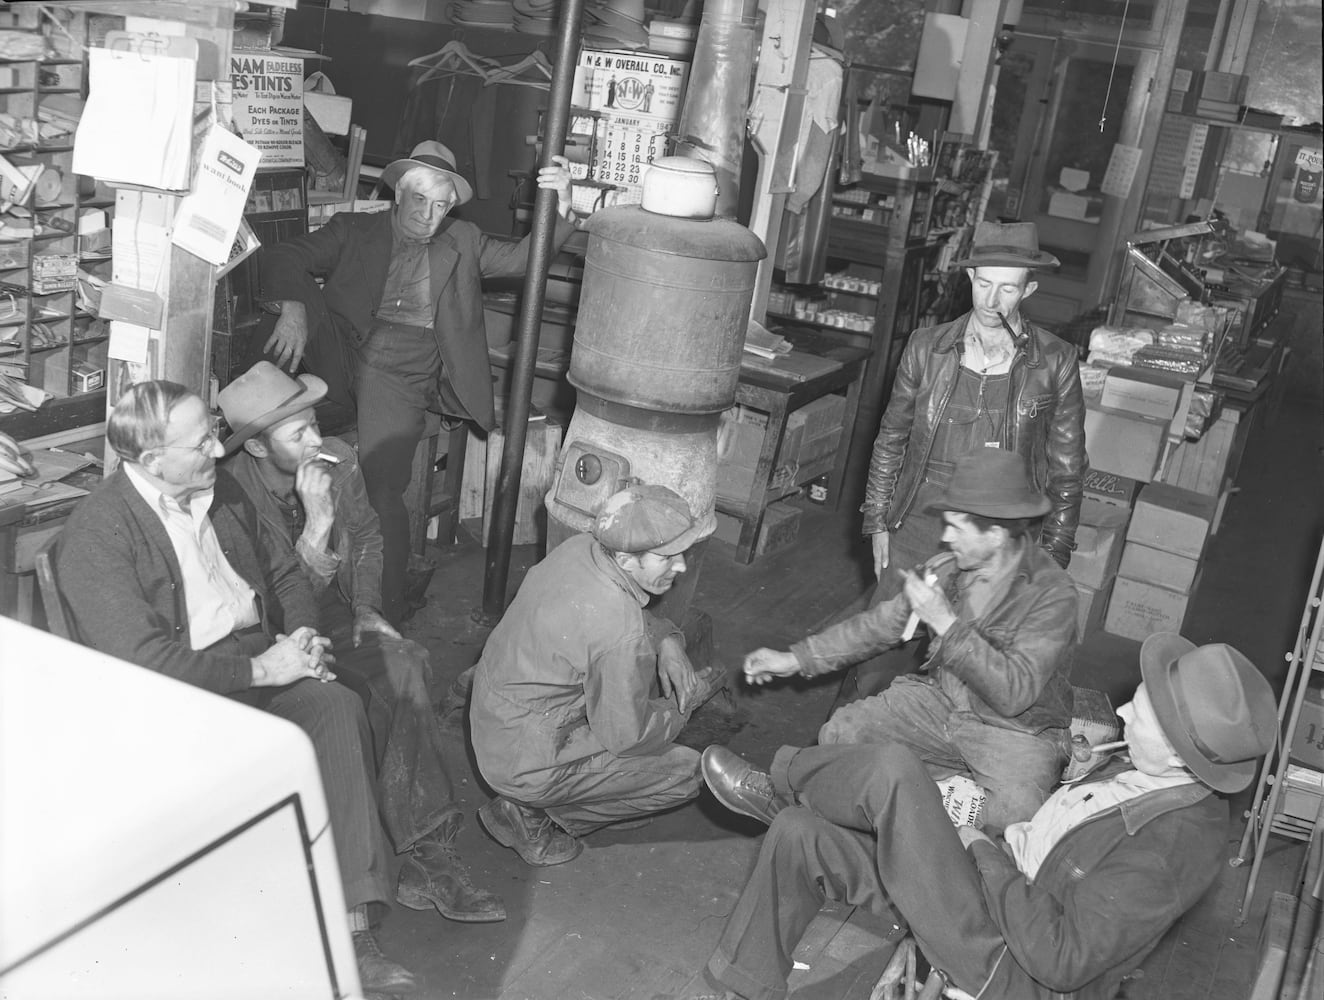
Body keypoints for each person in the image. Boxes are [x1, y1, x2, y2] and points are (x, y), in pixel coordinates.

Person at [53, 381, 415, 994]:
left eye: (213, 436)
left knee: (338, 705)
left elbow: (283, 573)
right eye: (200, 445)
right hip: (182, 691)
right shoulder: (99, 533)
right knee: (323, 713)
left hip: (257, 656)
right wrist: (262, 671)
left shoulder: (217, 491)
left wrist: (302, 637)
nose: (219, 452)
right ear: (151, 460)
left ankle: (349, 927)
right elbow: (142, 661)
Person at [688, 633, 1277, 1000]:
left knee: (894, 771)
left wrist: (978, 845)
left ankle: (780, 783)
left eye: (1139, 712)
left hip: (1006, 963)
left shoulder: (1171, 847)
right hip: (989, 895)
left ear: (1178, 750)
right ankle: (740, 986)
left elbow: (1061, 959)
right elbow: (1057, 842)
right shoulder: (1152, 772)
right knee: (801, 835)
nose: (1123, 710)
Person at [217, 360, 504, 924]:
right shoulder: (230, 501)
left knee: (405, 663)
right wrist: (317, 526)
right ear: (256, 447)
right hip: (271, 637)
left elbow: (369, 535)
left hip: (333, 608)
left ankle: (428, 854)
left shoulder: (337, 460)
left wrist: (368, 607)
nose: (315, 441)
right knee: (347, 702)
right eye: (296, 433)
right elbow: (270, 612)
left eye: (314, 424)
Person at [260, 141, 578, 624]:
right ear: (399, 194)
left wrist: (564, 206)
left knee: (382, 486)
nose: (429, 215)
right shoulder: (354, 228)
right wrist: (293, 308)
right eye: (421, 200)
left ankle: (385, 608)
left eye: (441, 205)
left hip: (403, 369)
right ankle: (291, 577)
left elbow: (520, 260)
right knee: (277, 378)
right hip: (342, 353)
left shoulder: (463, 239)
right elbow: (284, 255)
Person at [744, 448, 1077, 832]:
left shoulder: (1053, 595)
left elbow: (1014, 694)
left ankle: (912, 817)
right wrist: (796, 659)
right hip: (945, 702)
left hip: (1016, 731)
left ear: (996, 534)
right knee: (844, 733)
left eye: (957, 528)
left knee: (1013, 815)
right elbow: (882, 624)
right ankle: (783, 796)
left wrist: (946, 624)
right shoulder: (950, 568)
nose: (945, 537)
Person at [839, 221, 1086, 711]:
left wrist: (1052, 555)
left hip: (997, 530)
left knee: (971, 662)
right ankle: (854, 736)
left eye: (1008, 288)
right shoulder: (926, 347)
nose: (992, 301)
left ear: (1028, 290)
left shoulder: (1055, 361)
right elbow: (891, 437)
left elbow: (1068, 468)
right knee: (880, 650)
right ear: (969, 278)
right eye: (984, 283)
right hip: (921, 517)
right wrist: (878, 520)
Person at [469, 484, 725, 866]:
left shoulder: (582, 548)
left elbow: (614, 610)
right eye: (666, 557)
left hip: (498, 717)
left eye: (681, 553)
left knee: (636, 678)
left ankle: (590, 792)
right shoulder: (619, 628)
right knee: (689, 773)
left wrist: (667, 639)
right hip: (525, 760)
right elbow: (628, 738)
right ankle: (530, 815)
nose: (681, 566)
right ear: (625, 558)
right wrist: (684, 705)